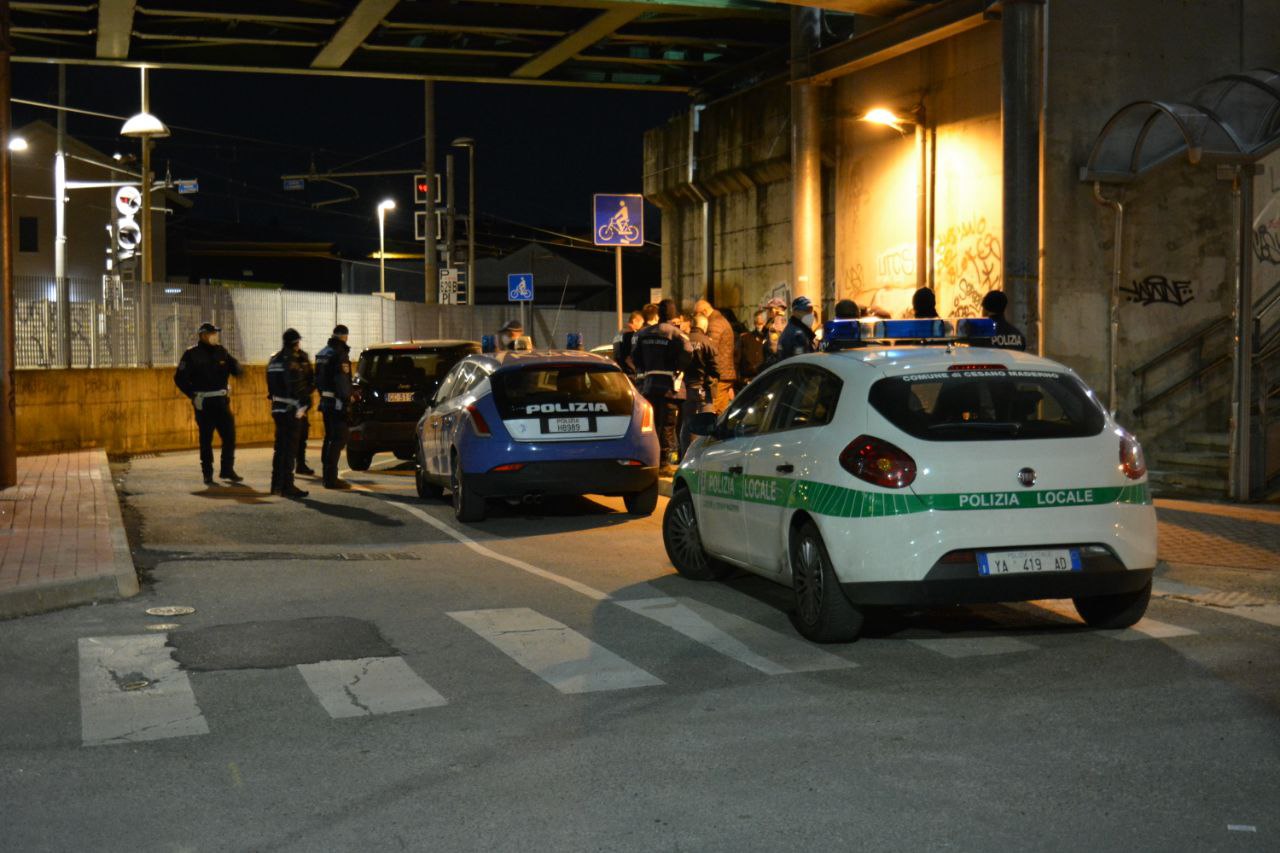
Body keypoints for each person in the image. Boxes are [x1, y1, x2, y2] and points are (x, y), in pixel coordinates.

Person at [174, 322, 243, 486]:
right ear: (203, 335)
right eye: (212, 333)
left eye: (216, 333)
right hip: (204, 403)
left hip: (221, 402)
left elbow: (235, 368)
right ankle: (207, 473)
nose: (215, 336)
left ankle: (227, 469)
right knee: (206, 439)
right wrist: (192, 395)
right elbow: (179, 378)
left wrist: (238, 369)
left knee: (229, 436)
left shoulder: (221, 351)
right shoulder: (191, 354)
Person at [631, 299, 691, 475]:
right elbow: (688, 352)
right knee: (667, 425)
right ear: (673, 316)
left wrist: (644, 369)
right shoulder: (677, 334)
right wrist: (678, 367)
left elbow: (635, 356)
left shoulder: (644, 334)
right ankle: (663, 463)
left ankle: (651, 459)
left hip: (649, 386)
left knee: (652, 424)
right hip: (669, 387)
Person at [266, 328, 311, 499]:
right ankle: (287, 486)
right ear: (295, 342)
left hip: (277, 408)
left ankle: (276, 485)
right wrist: (304, 403)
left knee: (280, 449)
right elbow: (296, 385)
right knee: (289, 450)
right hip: (291, 410)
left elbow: (270, 387)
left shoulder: (273, 359)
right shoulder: (292, 361)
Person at [314, 324, 354, 489]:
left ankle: (326, 475)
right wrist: (347, 400)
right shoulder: (339, 354)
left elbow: (317, 379)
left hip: (325, 401)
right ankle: (331, 478)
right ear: (345, 336)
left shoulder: (322, 353)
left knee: (329, 438)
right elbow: (342, 381)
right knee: (338, 439)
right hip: (337, 403)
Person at [680, 314, 719, 459]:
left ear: (692, 324)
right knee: (707, 424)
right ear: (704, 326)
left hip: (685, 389)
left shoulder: (683, 339)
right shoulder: (708, 342)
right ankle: (704, 457)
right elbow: (716, 368)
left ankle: (686, 456)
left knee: (687, 424)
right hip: (704, 388)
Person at [694, 299, 737, 413]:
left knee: (714, 409)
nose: (695, 317)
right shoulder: (719, 320)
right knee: (721, 410)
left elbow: (710, 349)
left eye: (696, 314)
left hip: (719, 375)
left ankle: (713, 431)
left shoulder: (714, 324)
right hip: (724, 374)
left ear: (703, 311)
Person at [294, 337, 317, 477]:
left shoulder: (303, 357)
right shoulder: (284, 359)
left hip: (301, 405)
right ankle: (290, 466)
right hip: (290, 404)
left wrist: (307, 393)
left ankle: (300, 464)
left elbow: (311, 377)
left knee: (302, 434)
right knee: (291, 435)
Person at [775, 295, 819, 361]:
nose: (810, 314)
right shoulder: (797, 334)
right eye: (806, 310)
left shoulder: (798, 329)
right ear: (795, 312)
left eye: (811, 310)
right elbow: (802, 362)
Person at [736, 309, 769, 391]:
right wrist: (738, 381)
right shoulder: (745, 339)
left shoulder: (771, 340)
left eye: (763, 323)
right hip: (747, 382)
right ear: (754, 324)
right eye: (759, 323)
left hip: (766, 380)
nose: (761, 327)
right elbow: (736, 361)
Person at [612, 310, 645, 378]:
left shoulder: (618, 335)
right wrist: (638, 371)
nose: (642, 326)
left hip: (620, 373)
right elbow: (628, 359)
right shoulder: (630, 335)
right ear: (635, 321)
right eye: (642, 323)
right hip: (630, 374)